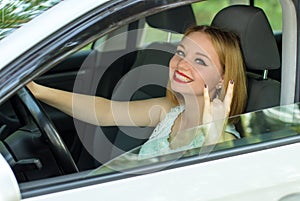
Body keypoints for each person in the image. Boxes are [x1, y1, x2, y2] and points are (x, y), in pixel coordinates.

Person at [27, 25, 247, 160]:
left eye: (200, 61)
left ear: (221, 79)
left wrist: (214, 132)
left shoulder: (224, 138)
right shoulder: (168, 110)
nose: (182, 64)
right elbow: (105, 112)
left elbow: (215, 184)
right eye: (181, 52)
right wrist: (38, 91)